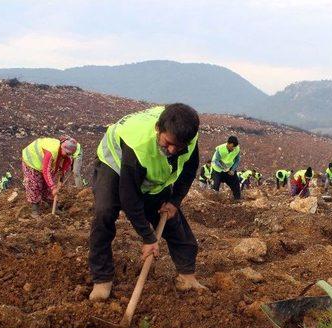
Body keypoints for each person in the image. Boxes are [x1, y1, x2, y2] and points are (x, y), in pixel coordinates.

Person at [89, 104, 206, 301]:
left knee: (169, 216)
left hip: (149, 171)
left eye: (179, 146)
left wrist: (174, 201)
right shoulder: (139, 145)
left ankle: (187, 275)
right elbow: (129, 198)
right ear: (158, 129)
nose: (172, 150)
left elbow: (189, 170)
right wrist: (148, 237)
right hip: (115, 165)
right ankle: (102, 279)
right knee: (104, 212)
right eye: (168, 143)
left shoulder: (187, 137)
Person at [21, 135, 77, 216]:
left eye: (69, 154)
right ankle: (35, 209)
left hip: (43, 163)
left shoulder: (66, 155)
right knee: (34, 183)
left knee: (48, 183)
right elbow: (46, 171)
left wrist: (61, 179)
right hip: (32, 160)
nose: (67, 155)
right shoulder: (51, 152)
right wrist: (53, 187)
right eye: (67, 153)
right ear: (62, 147)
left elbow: (64, 167)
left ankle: (51, 204)